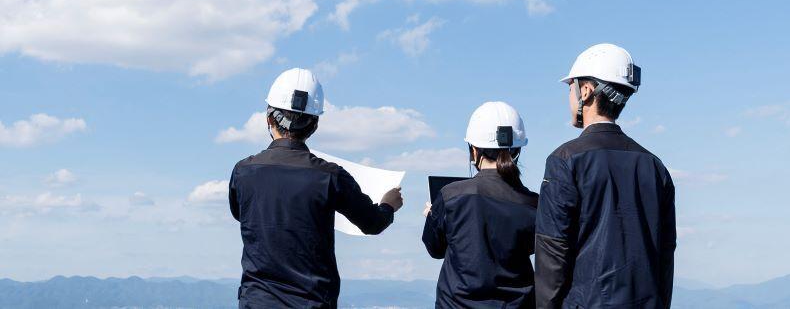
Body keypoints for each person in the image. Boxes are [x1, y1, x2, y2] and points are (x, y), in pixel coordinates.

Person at [229, 68, 404, 308]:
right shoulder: (329, 176)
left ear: (269, 118)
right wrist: (388, 205)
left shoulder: (243, 172)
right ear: (314, 125)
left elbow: (242, 215)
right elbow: (372, 223)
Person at [535, 44, 676, 308]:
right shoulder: (656, 167)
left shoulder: (564, 160)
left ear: (585, 91)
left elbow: (552, 253)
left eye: (571, 88)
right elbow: (665, 253)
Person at [422, 101, 539, 308]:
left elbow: (435, 249)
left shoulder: (450, 196)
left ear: (473, 150)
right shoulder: (533, 204)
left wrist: (432, 217)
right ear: (517, 151)